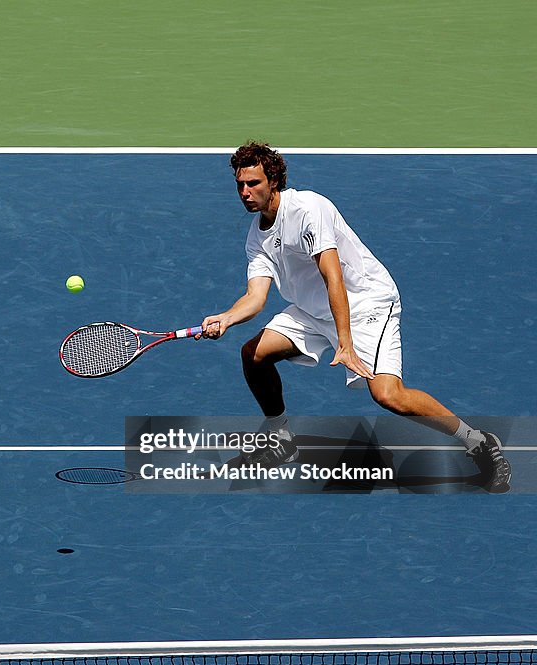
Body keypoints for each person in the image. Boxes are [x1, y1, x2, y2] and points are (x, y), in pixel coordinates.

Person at [201, 141, 511, 492]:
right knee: (253, 355)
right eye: (240, 185)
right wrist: (227, 317)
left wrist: (345, 343)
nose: (244, 192)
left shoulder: (307, 209)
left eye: (253, 183)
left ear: (273, 180)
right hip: (313, 310)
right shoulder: (257, 237)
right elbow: (256, 298)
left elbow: (333, 277)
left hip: (365, 304)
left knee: (388, 395)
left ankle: (478, 441)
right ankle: (280, 437)